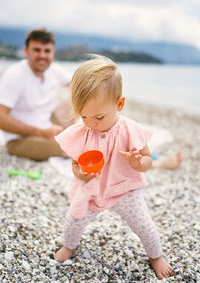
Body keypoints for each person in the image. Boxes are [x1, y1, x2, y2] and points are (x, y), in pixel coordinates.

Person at [54, 55, 174, 279]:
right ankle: (70, 246)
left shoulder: (129, 130)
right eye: (84, 116)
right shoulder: (83, 130)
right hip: (92, 190)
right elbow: (74, 163)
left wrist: (138, 162)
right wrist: (81, 173)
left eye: (99, 116)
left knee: (144, 226)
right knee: (73, 220)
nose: (90, 123)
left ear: (119, 104)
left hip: (124, 189)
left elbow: (147, 161)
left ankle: (156, 256)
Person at [0, 28, 75, 161]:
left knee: (79, 99)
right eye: (37, 50)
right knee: (71, 148)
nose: (42, 55)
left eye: (47, 51)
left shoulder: (53, 69)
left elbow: (80, 83)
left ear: (53, 52)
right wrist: (39, 132)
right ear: (26, 51)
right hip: (21, 139)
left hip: (48, 123)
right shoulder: (15, 75)